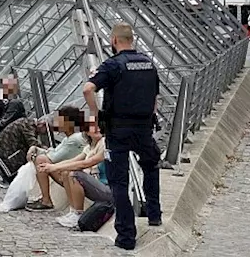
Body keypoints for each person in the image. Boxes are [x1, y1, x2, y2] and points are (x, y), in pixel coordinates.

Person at [83, 22, 162, 251]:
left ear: (114, 41)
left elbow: (88, 88)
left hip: (118, 130)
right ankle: (154, 215)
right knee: (150, 165)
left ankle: (126, 236)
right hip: (144, 127)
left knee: (119, 181)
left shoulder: (113, 65)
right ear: (132, 39)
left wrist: (96, 114)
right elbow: (155, 98)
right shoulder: (148, 64)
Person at [45, 120, 110, 228]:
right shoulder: (89, 147)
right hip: (97, 185)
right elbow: (74, 161)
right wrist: (53, 166)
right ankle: (73, 211)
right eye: (93, 127)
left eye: (100, 126)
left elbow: (85, 163)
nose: (98, 129)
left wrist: (54, 167)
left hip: (107, 188)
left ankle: (78, 213)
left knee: (74, 174)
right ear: (87, 132)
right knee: (66, 172)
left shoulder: (104, 143)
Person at [26, 106, 90, 210]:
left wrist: (39, 150)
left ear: (68, 122)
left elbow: (53, 157)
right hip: (70, 173)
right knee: (42, 158)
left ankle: (46, 200)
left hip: (72, 175)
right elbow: (53, 152)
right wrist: (35, 148)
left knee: (41, 160)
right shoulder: (70, 138)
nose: (55, 122)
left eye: (59, 119)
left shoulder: (74, 139)